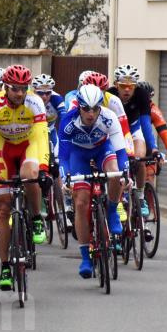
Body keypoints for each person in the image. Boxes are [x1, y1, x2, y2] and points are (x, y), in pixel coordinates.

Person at [0, 64, 50, 291]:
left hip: (28, 145)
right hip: (3, 148)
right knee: (2, 208)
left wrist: (44, 168)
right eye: (14, 89)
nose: (19, 93)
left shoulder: (34, 102)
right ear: (5, 87)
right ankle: (5, 266)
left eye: (23, 88)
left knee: (29, 174)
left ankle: (37, 217)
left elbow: (41, 136)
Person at [58, 84, 128, 278]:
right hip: (77, 154)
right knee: (81, 202)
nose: (91, 113)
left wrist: (125, 173)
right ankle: (85, 258)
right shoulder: (68, 121)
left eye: (95, 108)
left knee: (115, 172)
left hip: (102, 149)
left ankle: (112, 211)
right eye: (86, 108)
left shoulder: (108, 117)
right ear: (78, 106)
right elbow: (62, 157)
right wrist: (65, 177)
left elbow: (121, 151)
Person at [106, 64, 157, 217]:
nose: (127, 90)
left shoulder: (141, 94)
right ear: (116, 85)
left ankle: (140, 196)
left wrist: (153, 148)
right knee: (116, 165)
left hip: (134, 130)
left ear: (135, 86)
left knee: (139, 159)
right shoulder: (109, 95)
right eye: (123, 86)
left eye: (131, 86)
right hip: (115, 133)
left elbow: (146, 123)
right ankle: (117, 198)